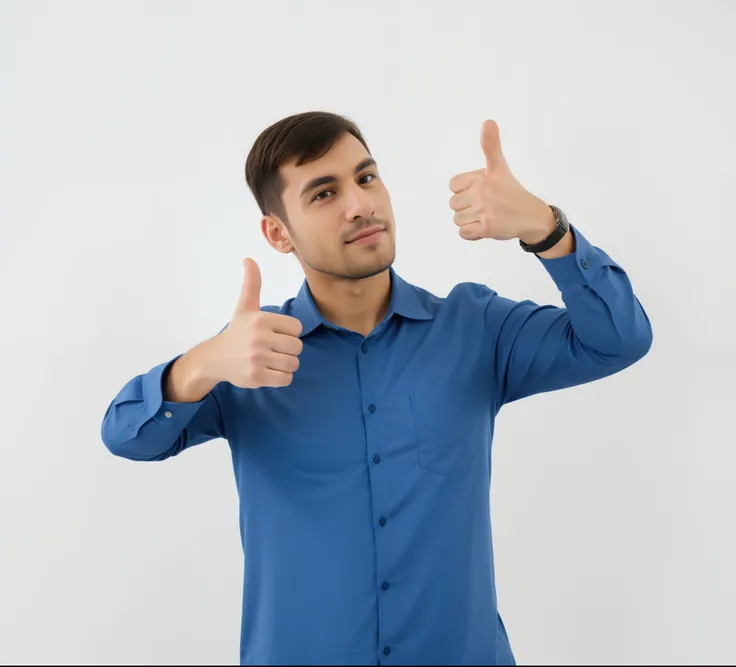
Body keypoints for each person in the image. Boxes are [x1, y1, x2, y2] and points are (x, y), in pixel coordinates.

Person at [100, 111, 653, 665]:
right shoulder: (251, 354)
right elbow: (127, 436)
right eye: (323, 193)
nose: (360, 204)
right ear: (278, 233)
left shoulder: (475, 327)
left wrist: (545, 227)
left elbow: (618, 340)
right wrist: (198, 367)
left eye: (366, 178)